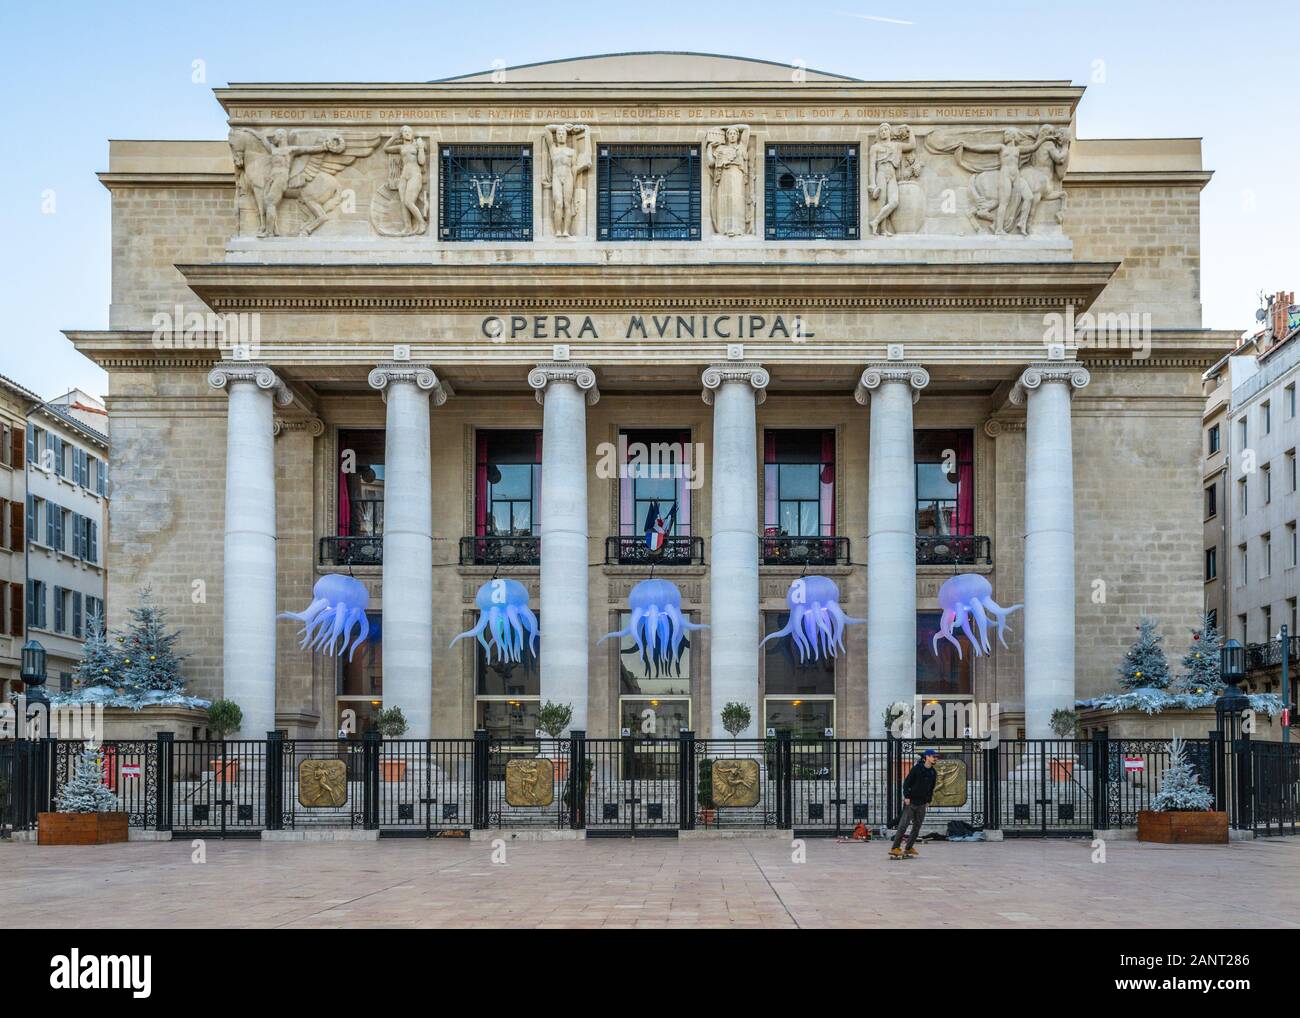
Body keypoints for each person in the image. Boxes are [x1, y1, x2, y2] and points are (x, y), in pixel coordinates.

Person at [889, 749, 938, 859]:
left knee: (917, 827)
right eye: (933, 756)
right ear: (926, 757)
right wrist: (906, 796)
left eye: (936, 756)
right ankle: (895, 848)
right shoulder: (917, 769)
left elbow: (931, 788)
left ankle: (908, 847)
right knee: (903, 825)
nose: (935, 758)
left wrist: (928, 801)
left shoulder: (933, 772)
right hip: (911, 801)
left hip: (922, 803)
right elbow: (907, 783)